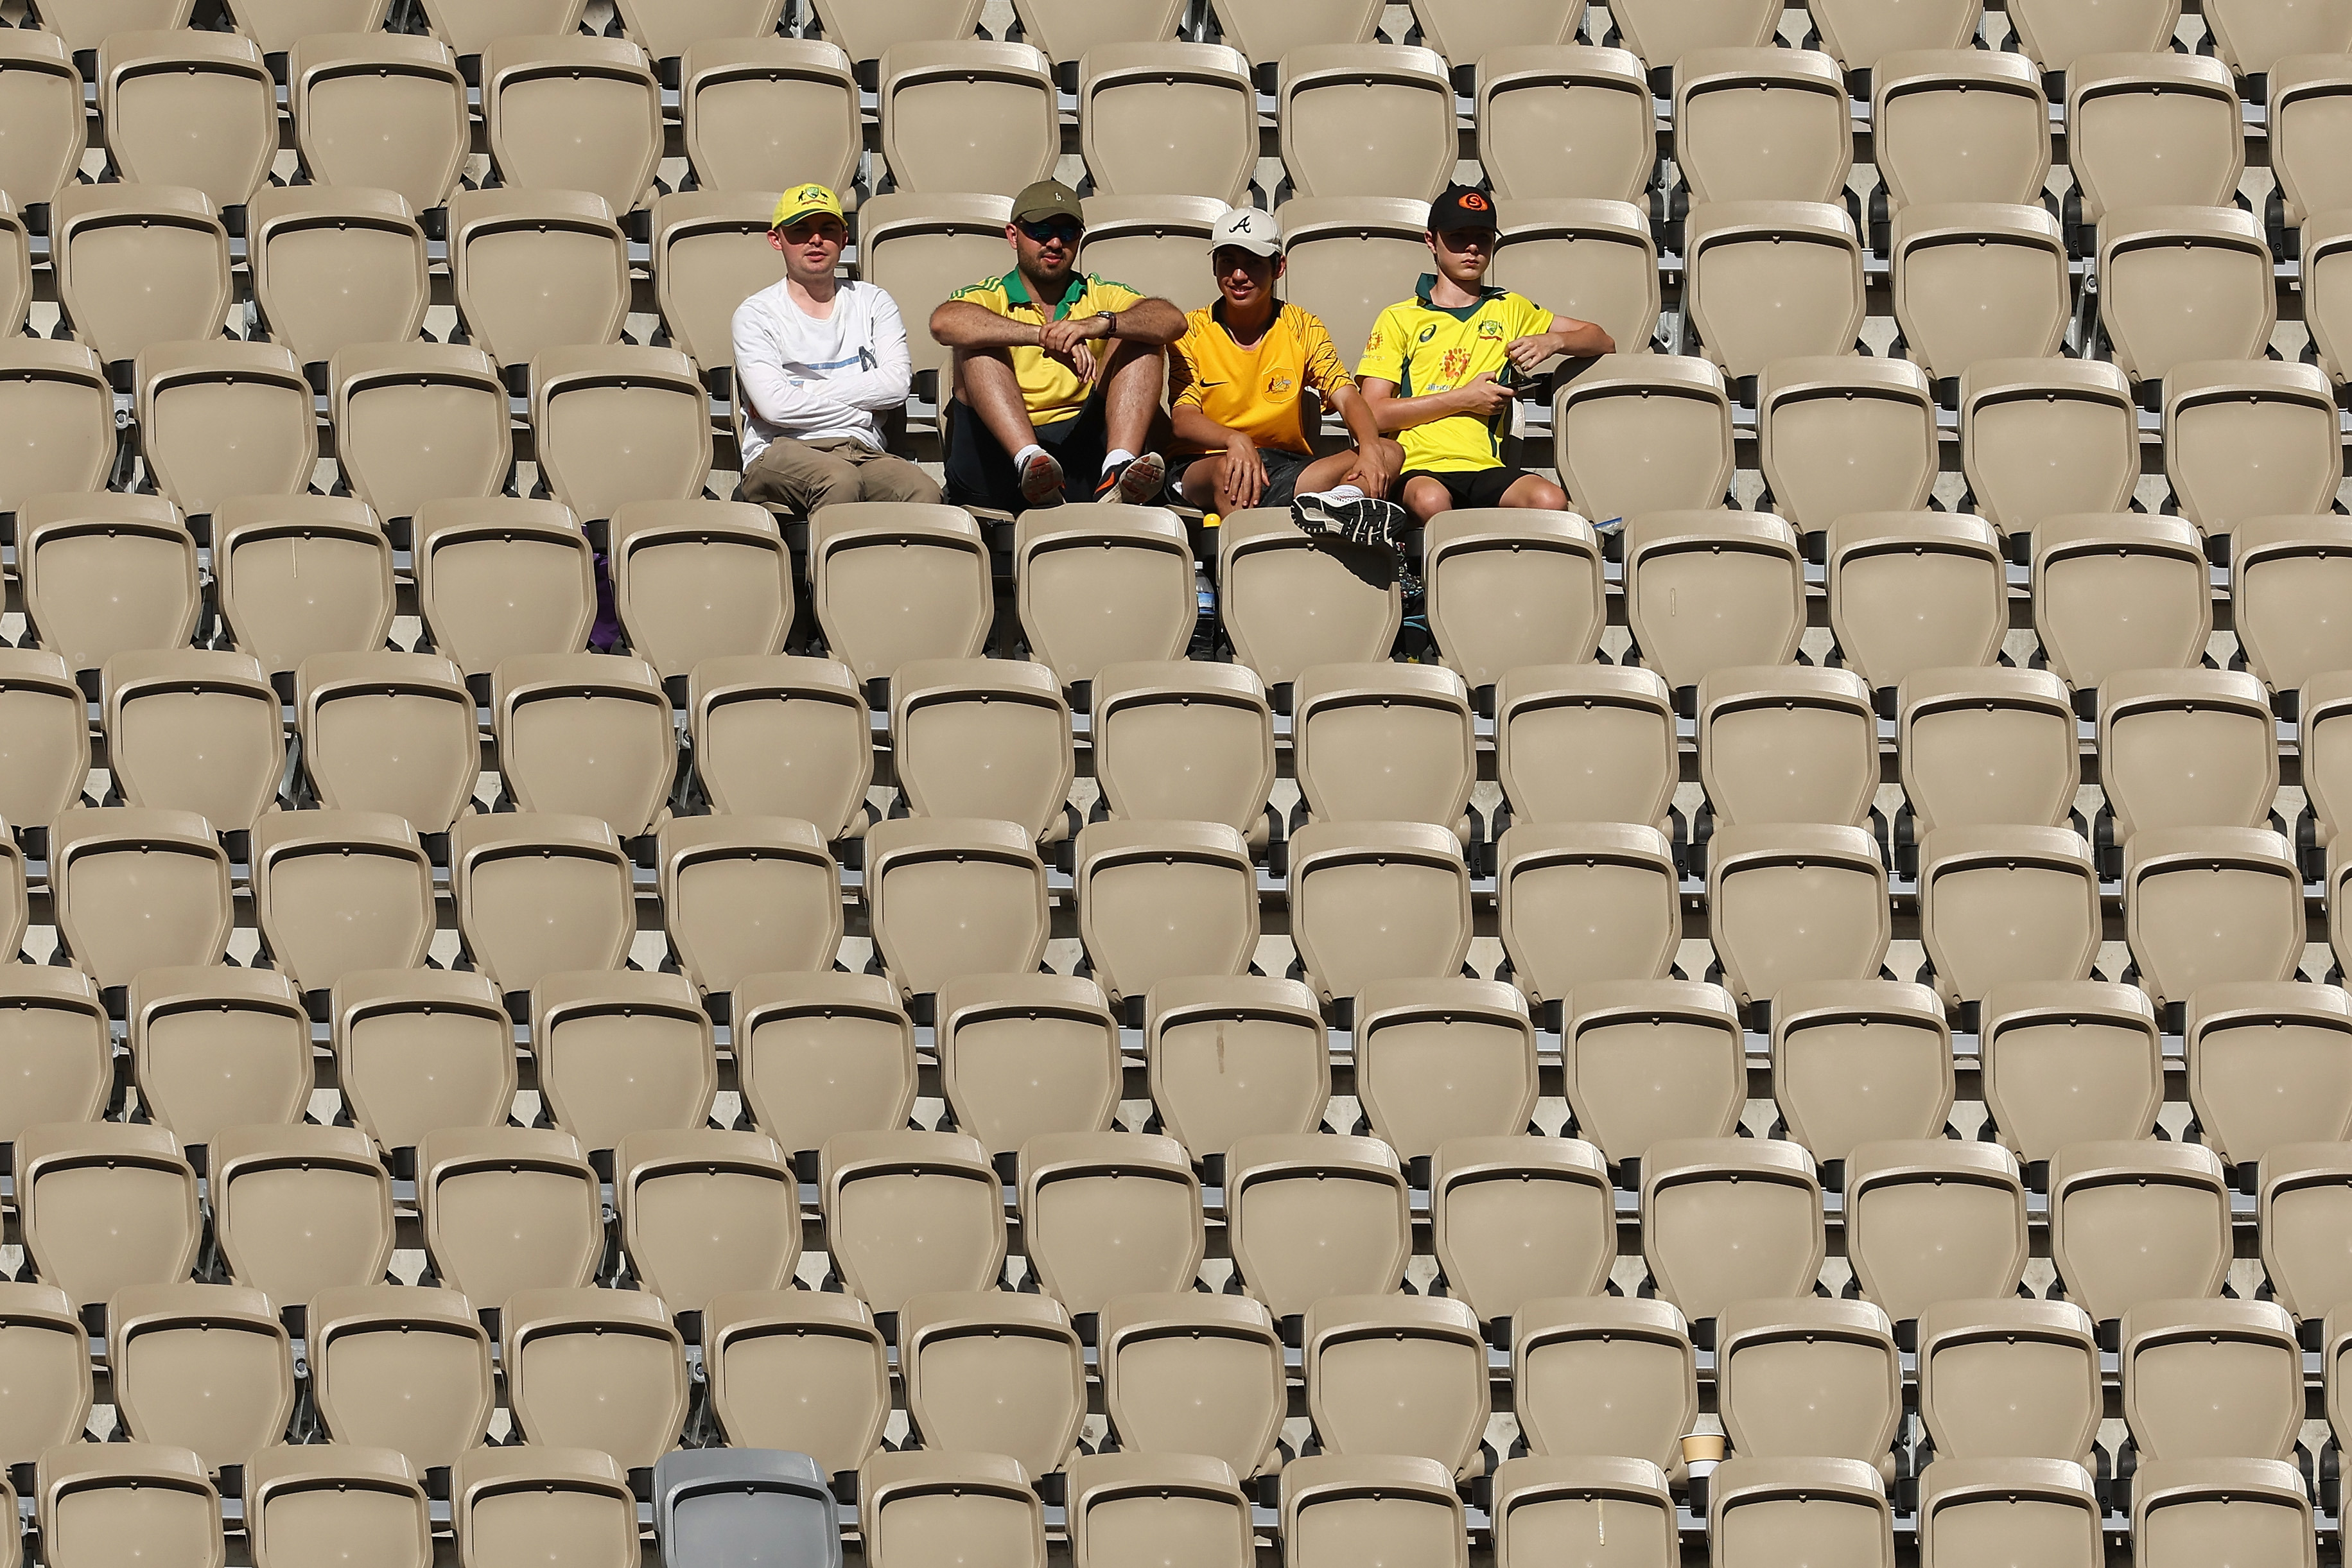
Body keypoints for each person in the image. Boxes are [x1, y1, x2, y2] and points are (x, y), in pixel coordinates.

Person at [1357, 185, 1614, 524]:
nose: (1473, 247)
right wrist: (1464, 398)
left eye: (1483, 237)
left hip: (1485, 465)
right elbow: (1372, 414)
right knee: (1431, 500)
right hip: (1417, 464)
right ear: (1431, 242)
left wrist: (1553, 342)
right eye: (1458, 237)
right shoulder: (1399, 317)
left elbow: (1602, 340)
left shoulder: (1509, 308)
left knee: (1550, 500)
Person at [930, 179, 1187, 509]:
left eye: (1067, 233)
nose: (1054, 242)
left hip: (1083, 451)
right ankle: (1029, 459)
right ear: (1013, 235)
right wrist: (1042, 334)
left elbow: (1171, 320)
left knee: (1140, 334)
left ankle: (1118, 468)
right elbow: (944, 322)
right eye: (1040, 230)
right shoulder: (989, 294)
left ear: (1079, 240)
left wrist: (1100, 324)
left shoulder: (1100, 294)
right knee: (976, 343)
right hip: (995, 459)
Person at [1169, 207, 1406, 545]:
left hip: (1285, 469)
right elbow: (1183, 419)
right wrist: (1235, 440)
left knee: (1388, 451)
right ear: (1214, 266)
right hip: (1204, 464)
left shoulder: (1303, 326)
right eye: (1227, 261)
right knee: (1230, 472)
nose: (1238, 275)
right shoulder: (1191, 330)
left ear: (1278, 267)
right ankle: (1245, 569)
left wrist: (1368, 447)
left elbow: (1346, 394)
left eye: (1252, 262)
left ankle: (1342, 504)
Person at [734, 183, 942, 510]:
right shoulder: (756, 313)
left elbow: (897, 386)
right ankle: (828, 564)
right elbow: (775, 409)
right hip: (780, 448)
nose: (815, 240)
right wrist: (863, 409)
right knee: (839, 480)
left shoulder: (874, 301)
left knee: (923, 491)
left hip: (863, 448)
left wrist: (800, 389)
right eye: (800, 230)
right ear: (777, 240)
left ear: (844, 238)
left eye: (827, 229)